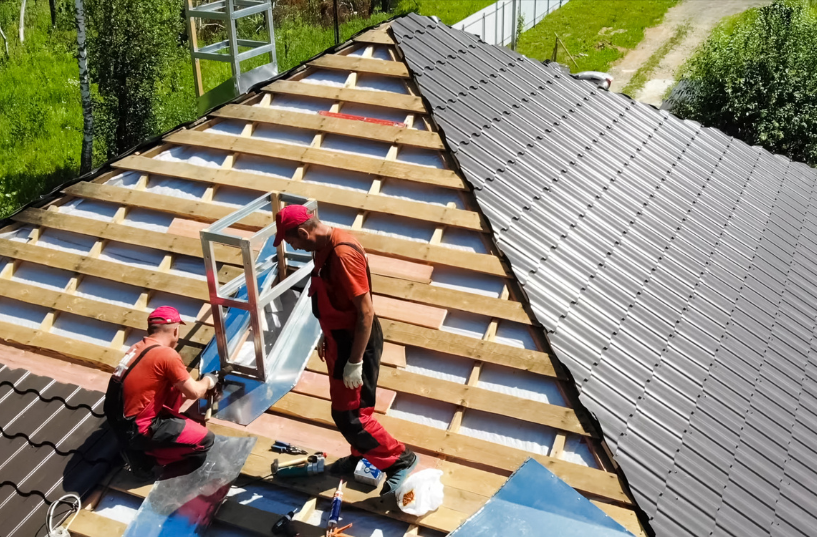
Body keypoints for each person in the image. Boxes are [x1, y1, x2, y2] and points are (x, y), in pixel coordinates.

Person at [273, 204, 417, 495]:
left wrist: (355, 361)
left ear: (304, 231)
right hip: (340, 338)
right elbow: (333, 298)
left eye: (293, 242)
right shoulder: (323, 245)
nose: (294, 247)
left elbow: (365, 313)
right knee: (354, 408)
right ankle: (361, 455)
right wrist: (327, 334)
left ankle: (399, 459)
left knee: (350, 415)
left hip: (355, 343)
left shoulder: (342, 254)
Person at [104, 306, 217, 477]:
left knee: (173, 386)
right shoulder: (167, 355)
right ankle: (146, 461)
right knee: (205, 441)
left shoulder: (136, 348)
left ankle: (142, 446)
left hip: (123, 424)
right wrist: (209, 381)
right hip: (140, 430)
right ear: (175, 331)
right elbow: (194, 392)